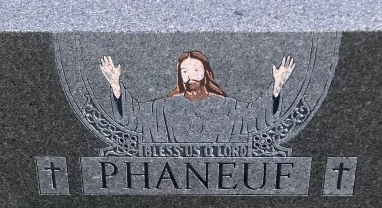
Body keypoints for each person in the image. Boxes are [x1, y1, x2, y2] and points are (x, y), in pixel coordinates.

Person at [98, 50, 295, 144]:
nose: (189, 75)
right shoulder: (163, 108)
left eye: (195, 69)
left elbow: (258, 117)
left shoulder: (226, 107)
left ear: (206, 73)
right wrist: (115, 85)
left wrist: (277, 86)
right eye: (184, 71)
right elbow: (132, 117)